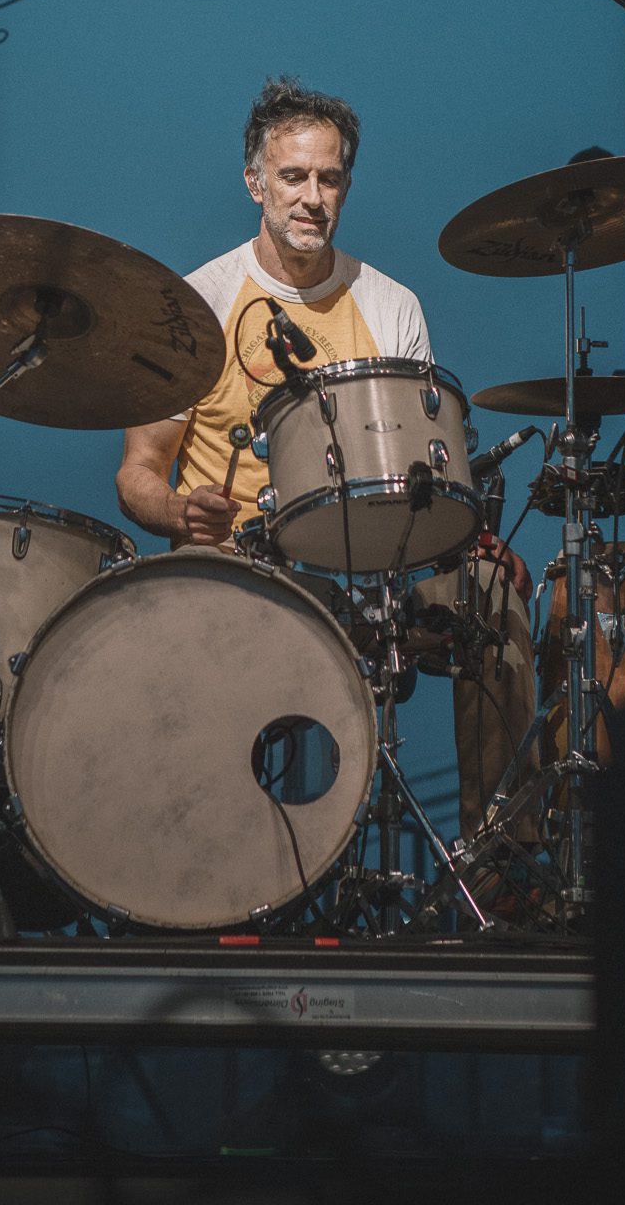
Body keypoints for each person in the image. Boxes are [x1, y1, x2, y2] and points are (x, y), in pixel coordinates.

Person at [116, 75, 536, 840]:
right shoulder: (195, 302)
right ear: (254, 182)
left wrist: (470, 536)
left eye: (329, 178)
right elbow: (137, 471)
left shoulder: (389, 304)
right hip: (230, 565)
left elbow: (433, 461)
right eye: (292, 176)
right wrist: (177, 509)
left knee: (490, 595)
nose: (312, 196)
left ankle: (501, 858)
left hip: (368, 568)